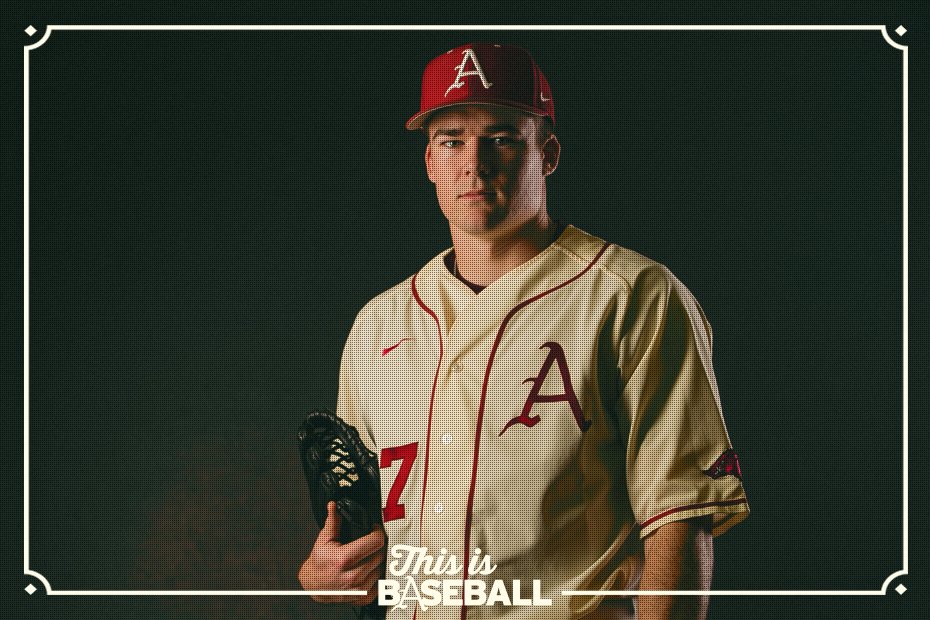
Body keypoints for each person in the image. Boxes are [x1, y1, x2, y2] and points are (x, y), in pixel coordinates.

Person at [299, 43, 749, 620]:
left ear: (549, 152)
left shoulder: (634, 295)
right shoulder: (378, 323)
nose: (473, 164)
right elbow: (369, 527)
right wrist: (327, 570)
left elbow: (678, 522)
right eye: (452, 140)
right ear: (429, 161)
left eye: (502, 139)